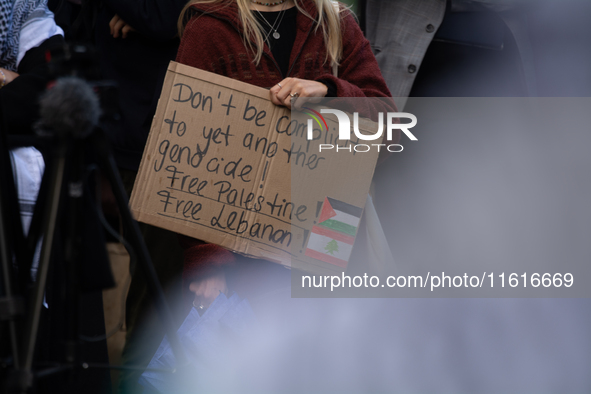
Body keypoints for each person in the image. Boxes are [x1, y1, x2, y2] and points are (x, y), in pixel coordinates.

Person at [175, 0, 392, 310]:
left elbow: (387, 128)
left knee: (329, 351)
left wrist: (329, 92)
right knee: (254, 352)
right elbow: (187, 149)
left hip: (329, 231)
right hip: (243, 243)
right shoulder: (209, 27)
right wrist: (207, 258)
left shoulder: (335, 22)